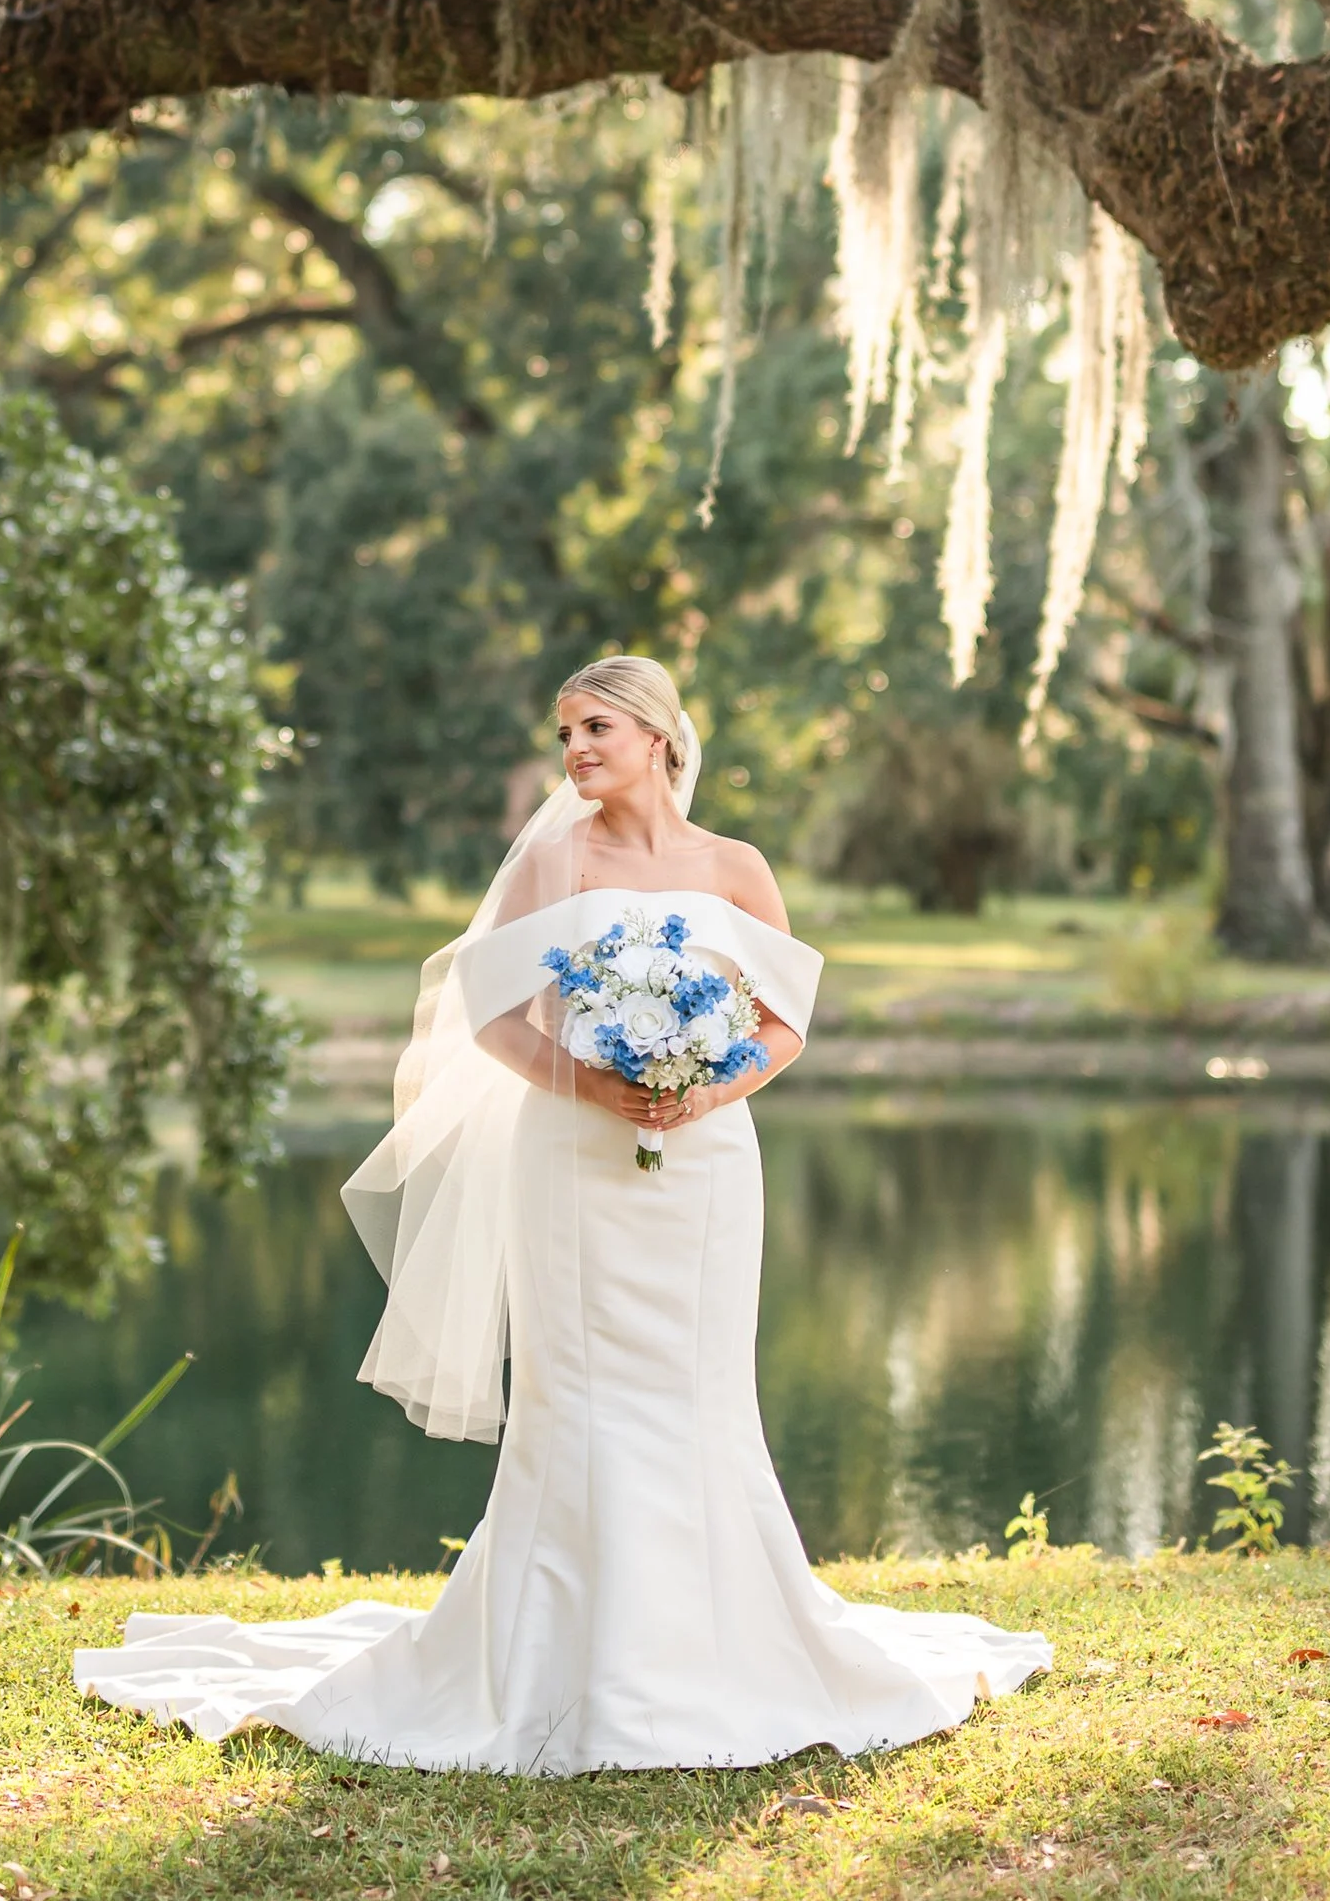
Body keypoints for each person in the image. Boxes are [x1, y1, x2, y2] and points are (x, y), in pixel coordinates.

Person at [73, 654, 1051, 1769]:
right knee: (577, 1391)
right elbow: (492, 1016)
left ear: (657, 737)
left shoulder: (735, 867)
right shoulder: (552, 860)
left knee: (699, 1388)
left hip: (706, 1168)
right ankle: (560, 1658)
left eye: (596, 728)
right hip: (570, 1159)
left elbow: (785, 1023)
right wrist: (593, 1084)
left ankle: (723, 1643)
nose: (576, 750)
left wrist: (706, 1088)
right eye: (566, 734)